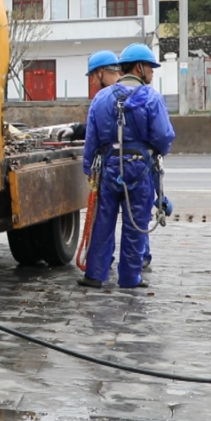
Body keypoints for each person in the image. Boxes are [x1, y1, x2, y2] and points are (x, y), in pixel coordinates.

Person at [79, 43, 175, 289]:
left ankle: (95, 275)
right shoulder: (152, 98)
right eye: (151, 68)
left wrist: (90, 170)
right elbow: (164, 137)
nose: (152, 73)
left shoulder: (101, 98)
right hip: (139, 169)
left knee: (103, 221)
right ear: (140, 67)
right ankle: (130, 278)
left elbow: (91, 140)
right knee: (136, 224)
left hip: (109, 168)